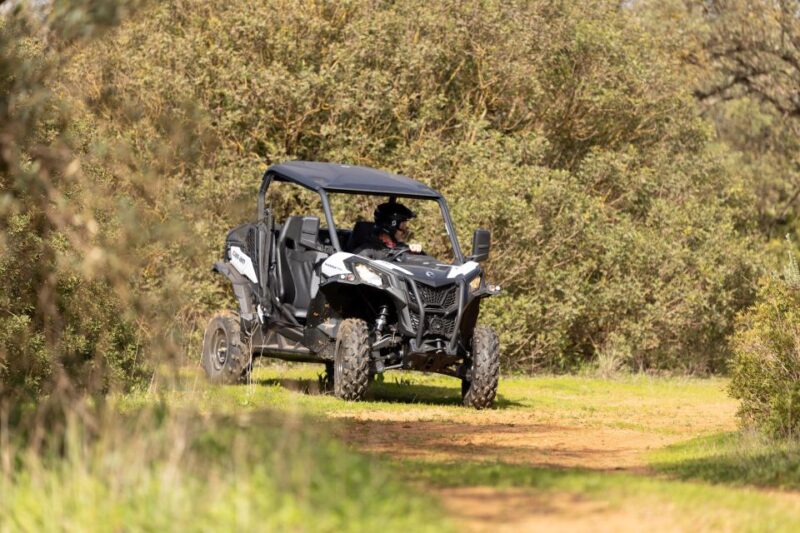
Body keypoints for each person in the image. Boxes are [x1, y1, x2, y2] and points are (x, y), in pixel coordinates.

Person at [354, 200, 422, 258]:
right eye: (403, 226)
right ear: (391, 227)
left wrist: (415, 253)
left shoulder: (401, 248)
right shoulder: (366, 251)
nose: (405, 230)